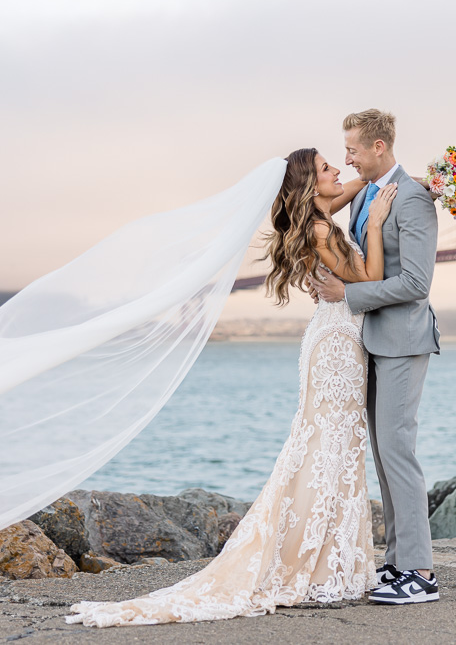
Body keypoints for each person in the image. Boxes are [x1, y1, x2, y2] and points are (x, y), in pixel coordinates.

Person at [66, 147, 399, 627]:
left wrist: (406, 180)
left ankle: (334, 559)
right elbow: (368, 278)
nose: (337, 171)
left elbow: (360, 185)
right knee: (329, 448)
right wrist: (375, 223)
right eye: (327, 167)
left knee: (332, 449)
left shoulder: (320, 213)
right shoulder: (321, 228)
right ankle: (320, 563)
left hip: (336, 341)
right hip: (336, 349)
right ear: (309, 184)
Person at [308, 108, 441, 605]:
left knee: (398, 450)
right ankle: (397, 562)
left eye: (353, 150)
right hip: (370, 340)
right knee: (384, 455)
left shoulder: (413, 198)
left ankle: (421, 572)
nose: (347, 158)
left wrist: (348, 295)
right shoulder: (364, 193)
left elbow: (416, 284)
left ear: (379, 147)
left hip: (404, 340)